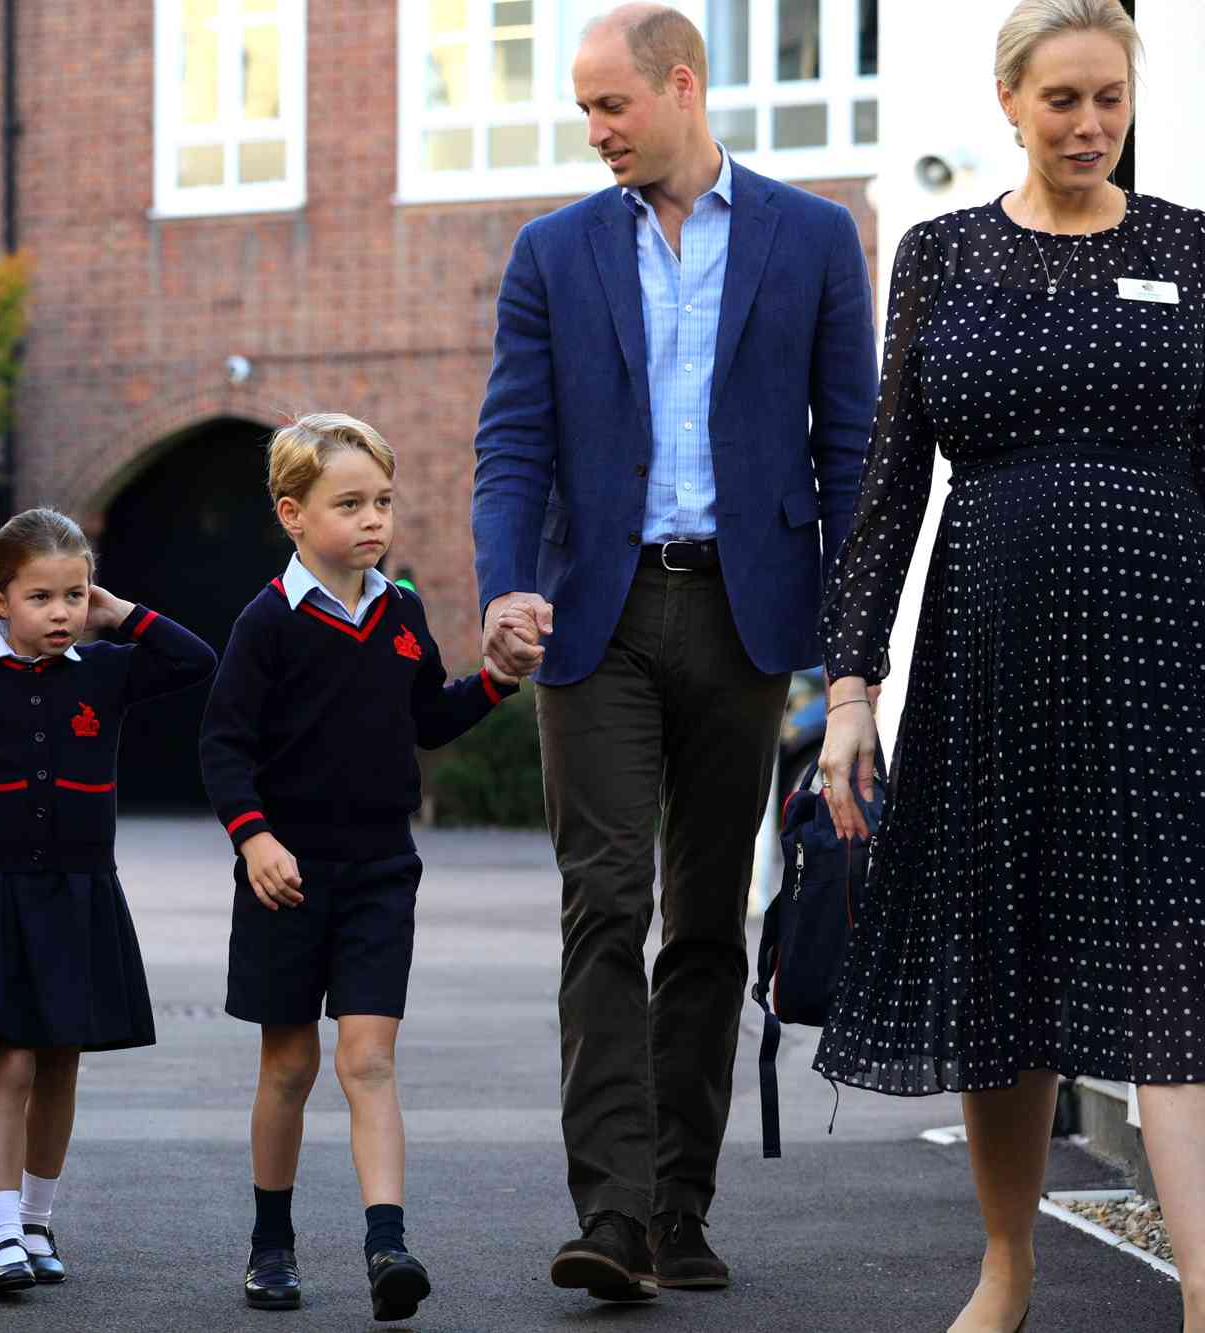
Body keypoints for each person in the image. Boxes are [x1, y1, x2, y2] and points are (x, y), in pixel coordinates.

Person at [471, 2, 876, 1304]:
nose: (593, 132)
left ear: (682, 87)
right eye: (582, 111)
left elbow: (854, 450)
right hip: (598, 613)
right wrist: (503, 589)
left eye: (610, 106)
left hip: (747, 615)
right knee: (605, 906)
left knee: (707, 919)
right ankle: (614, 1215)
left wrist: (849, 647)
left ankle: (680, 1208)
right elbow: (512, 442)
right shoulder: (551, 253)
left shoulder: (815, 239)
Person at [814, 3, 1205, 1330]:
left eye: (1112, 99)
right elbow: (884, 492)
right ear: (1008, 101)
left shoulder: (1190, 250)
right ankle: (1008, 1264)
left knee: (1176, 952)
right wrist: (851, 691)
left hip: (1166, 652)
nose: (1092, 126)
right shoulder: (942, 255)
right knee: (1007, 952)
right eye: (1064, 102)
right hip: (992, 652)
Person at [199, 413, 521, 1323]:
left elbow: (429, 718)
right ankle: (272, 1242)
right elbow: (223, 747)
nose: (374, 518)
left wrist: (495, 681)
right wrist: (255, 838)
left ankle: (388, 1244)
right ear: (293, 514)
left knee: (369, 1059)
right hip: (286, 876)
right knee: (290, 1066)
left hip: (383, 869)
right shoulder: (266, 622)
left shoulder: (404, 611)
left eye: (383, 500)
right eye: (351, 503)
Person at [0, 508, 216, 1295]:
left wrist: (119, 613)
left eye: (74, 595)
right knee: (11, 1057)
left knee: (61, 1057)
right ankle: (0, 1235)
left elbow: (195, 658)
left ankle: (37, 1220)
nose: (61, 612)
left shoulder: (105, 669)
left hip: (82, 891)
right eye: (41, 597)